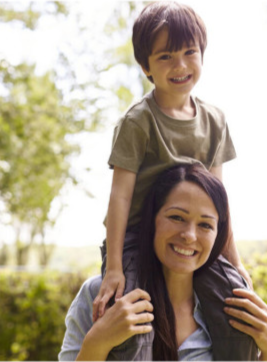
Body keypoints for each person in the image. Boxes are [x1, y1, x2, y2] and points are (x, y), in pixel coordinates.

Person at [96, 1, 252, 360]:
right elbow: (119, 199)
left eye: (189, 52)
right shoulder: (138, 122)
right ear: (144, 65)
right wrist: (115, 267)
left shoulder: (214, 120)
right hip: (137, 239)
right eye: (165, 56)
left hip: (193, 236)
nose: (180, 65)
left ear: (202, 54)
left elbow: (219, 204)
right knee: (133, 326)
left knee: (239, 311)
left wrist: (235, 263)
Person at [60, 164, 267, 361]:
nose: (189, 235)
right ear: (153, 220)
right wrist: (97, 343)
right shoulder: (100, 296)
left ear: (218, 234)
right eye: (177, 217)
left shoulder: (231, 309)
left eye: (205, 225)